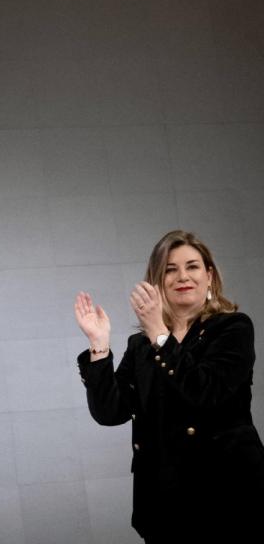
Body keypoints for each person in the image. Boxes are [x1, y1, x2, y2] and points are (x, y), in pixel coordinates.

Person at [74, 229, 264, 542]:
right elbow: (111, 411)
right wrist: (99, 346)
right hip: (162, 502)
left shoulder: (232, 328)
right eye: (170, 269)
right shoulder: (141, 345)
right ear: (158, 281)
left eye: (192, 266)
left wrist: (160, 335)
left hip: (228, 497)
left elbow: (204, 392)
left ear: (209, 276)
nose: (182, 276)